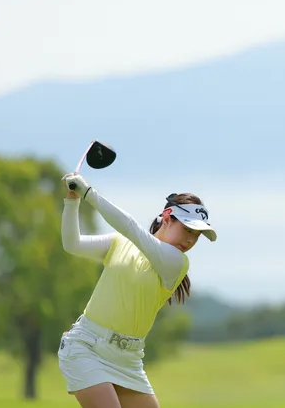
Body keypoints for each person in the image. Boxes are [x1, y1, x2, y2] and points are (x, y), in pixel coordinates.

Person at [57, 172, 217, 408]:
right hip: (86, 347)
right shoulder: (120, 243)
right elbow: (72, 244)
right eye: (188, 230)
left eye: (197, 235)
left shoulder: (176, 262)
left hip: (129, 360)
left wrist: (89, 193)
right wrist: (73, 201)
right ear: (167, 216)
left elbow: (131, 228)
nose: (191, 240)